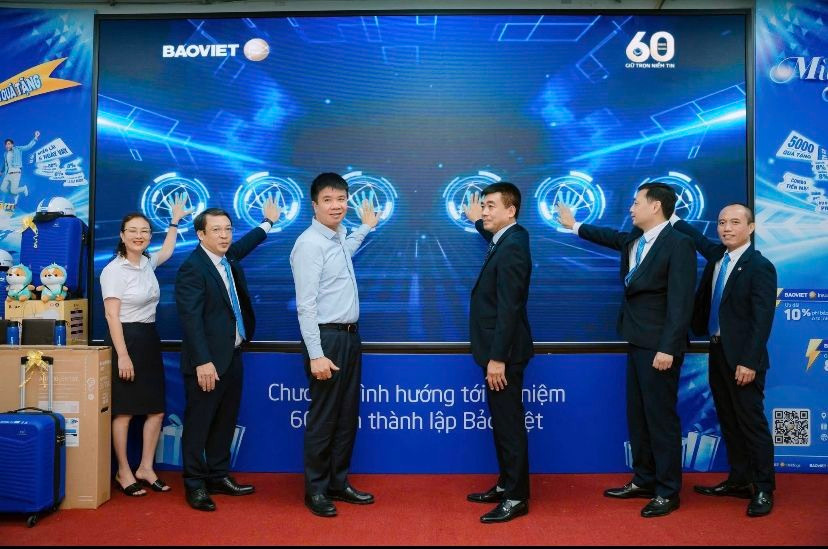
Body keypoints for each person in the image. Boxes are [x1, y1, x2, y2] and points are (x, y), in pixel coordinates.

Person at [556, 182, 695, 518]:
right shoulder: (636, 239)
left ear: (656, 206)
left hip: (660, 347)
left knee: (660, 419)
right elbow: (610, 237)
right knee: (639, 415)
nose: (631, 208)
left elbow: (681, 302)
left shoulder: (679, 244)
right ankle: (644, 479)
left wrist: (668, 347)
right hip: (635, 340)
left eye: (636, 202)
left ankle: (668, 491)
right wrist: (574, 224)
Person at [175, 197, 280, 511]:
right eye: (216, 230)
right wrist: (203, 362)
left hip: (232, 356)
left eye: (228, 229)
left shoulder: (227, 258)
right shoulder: (192, 268)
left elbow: (246, 243)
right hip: (207, 362)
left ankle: (218, 476)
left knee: (225, 421)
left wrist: (268, 222)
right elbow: (191, 321)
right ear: (200, 234)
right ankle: (195, 484)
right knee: (199, 424)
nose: (224, 235)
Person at [672, 204, 777, 517]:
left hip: (744, 359)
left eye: (734, 222)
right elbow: (696, 237)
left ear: (751, 228)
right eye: (721, 223)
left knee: (751, 423)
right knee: (729, 420)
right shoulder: (718, 256)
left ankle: (763, 488)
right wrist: (670, 216)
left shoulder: (759, 266)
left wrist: (749, 361)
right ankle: (739, 480)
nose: (726, 228)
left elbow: (762, 320)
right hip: (717, 352)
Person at [289, 172, 379, 518]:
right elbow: (305, 306)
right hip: (326, 340)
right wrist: (316, 355)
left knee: (345, 416)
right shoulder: (310, 244)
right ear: (314, 205)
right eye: (328, 200)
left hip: (350, 336)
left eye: (341, 199)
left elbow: (345, 253)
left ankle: (338, 483)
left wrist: (365, 227)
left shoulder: (337, 237)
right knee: (325, 418)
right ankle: (316, 490)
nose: (336, 206)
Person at [100, 193, 191, 497]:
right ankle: (123, 471)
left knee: (156, 410)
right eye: (132, 231)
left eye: (144, 231)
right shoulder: (114, 270)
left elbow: (167, 250)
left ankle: (146, 468)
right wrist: (123, 356)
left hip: (150, 338)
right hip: (125, 339)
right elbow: (111, 316)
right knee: (124, 412)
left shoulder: (147, 263)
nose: (139, 236)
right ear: (122, 236)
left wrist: (174, 222)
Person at [463, 182, 533, 524]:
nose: (485, 211)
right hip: (498, 351)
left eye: (491, 206)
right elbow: (489, 230)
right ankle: (506, 484)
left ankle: (516, 497)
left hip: (503, 355)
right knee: (503, 424)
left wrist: (498, 358)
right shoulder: (507, 238)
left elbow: (509, 307)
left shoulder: (514, 246)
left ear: (511, 210)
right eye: (483, 206)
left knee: (509, 426)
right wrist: (478, 222)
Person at [1, 130, 40, 198]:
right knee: (2, 188)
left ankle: (23, 188)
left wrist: (35, 138)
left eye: (9, 144)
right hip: (8, 173)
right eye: (6, 144)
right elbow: (5, 164)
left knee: (13, 190)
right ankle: (15, 195)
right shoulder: (5, 154)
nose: (7, 145)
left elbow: (28, 146)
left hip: (16, 172)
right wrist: (1, 171)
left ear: (12, 144)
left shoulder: (18, 149)